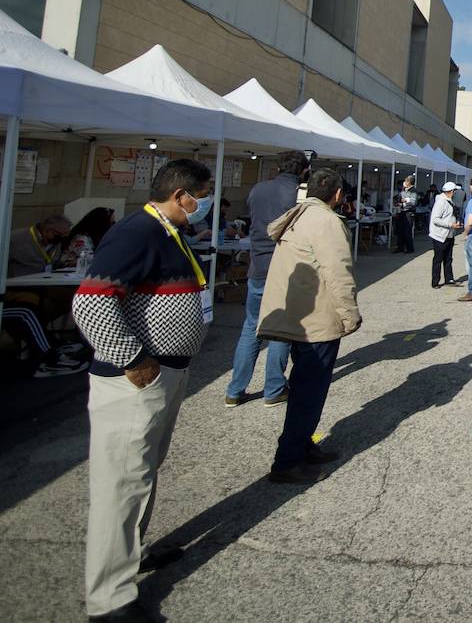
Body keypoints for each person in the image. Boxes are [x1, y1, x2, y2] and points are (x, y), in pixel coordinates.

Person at [72, 159, 216, 620]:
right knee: (122, 482)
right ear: (180, 196)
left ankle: (130, 555)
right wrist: (135, 362)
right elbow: (91, 303)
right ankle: (109, 598)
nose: (206, 203)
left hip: (164, 372)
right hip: (136, 379)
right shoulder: (138, 232)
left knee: (142, 473)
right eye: (203, 195)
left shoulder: (168, 232)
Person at [257, 167, 362, 485]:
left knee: (304, 386)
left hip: (298, 314)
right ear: (338, 194)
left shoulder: (298, 214)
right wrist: (350, 314)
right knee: (309, 391)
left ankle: (302, 445)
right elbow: (338, 272)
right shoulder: (327, 221)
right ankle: (288, 459)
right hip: (317, 318)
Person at [227, 150, 309, 409]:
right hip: (284, 267)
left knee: (251, 327)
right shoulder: (300, 194)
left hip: (258, 265)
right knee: (280, 330)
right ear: (303, 170)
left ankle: (235, 390)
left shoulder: (258, 189)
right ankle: (274, 388)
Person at [429, 181, 462, 289]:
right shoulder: (441, 202)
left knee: (448, 258)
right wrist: (450, 224)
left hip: (449, 234)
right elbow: (435, 219)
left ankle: (449, 278)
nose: (456, 193)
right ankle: (435, 281)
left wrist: (455, 223)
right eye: (455, 191)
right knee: (438, 259)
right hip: (440, 235)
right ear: (451, 191)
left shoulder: (449, 200)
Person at [395, 174, 417, 254]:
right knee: (400, 231)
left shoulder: (413, 190)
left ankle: (409, 248)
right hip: (402, 212)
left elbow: (413, 202)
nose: (404, 182)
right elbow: (401, 199)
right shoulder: (404, 190)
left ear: (409, 182)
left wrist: (403, 203)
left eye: (405, 181)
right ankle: (400, 247)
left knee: (407, 231)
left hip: (409, 213)